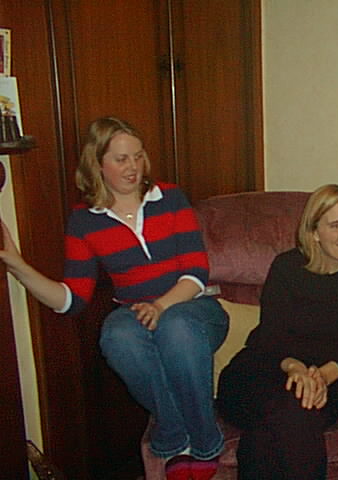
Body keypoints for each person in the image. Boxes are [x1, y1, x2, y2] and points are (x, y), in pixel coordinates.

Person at [0, 117, 229, 480]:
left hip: (195, 308)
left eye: (138, 156)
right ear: (98, 164)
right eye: (121, 159)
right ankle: (174, 434)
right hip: (134, 314)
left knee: (176, 326)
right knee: (116, 334)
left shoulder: (170, 197)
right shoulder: (84, 221)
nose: (133, 167)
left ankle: (204, 441)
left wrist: (160, 306)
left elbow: (197, 272)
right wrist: (18, 266)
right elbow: (72, 300)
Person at [217, 184, 338, 480]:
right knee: (290, 413)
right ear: (314, 232)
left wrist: (323, 376)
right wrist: (295, 369)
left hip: (323, 381)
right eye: (336, 225)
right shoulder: (287, 267)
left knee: (280, 421)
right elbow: (270, 337)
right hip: (259, 372)